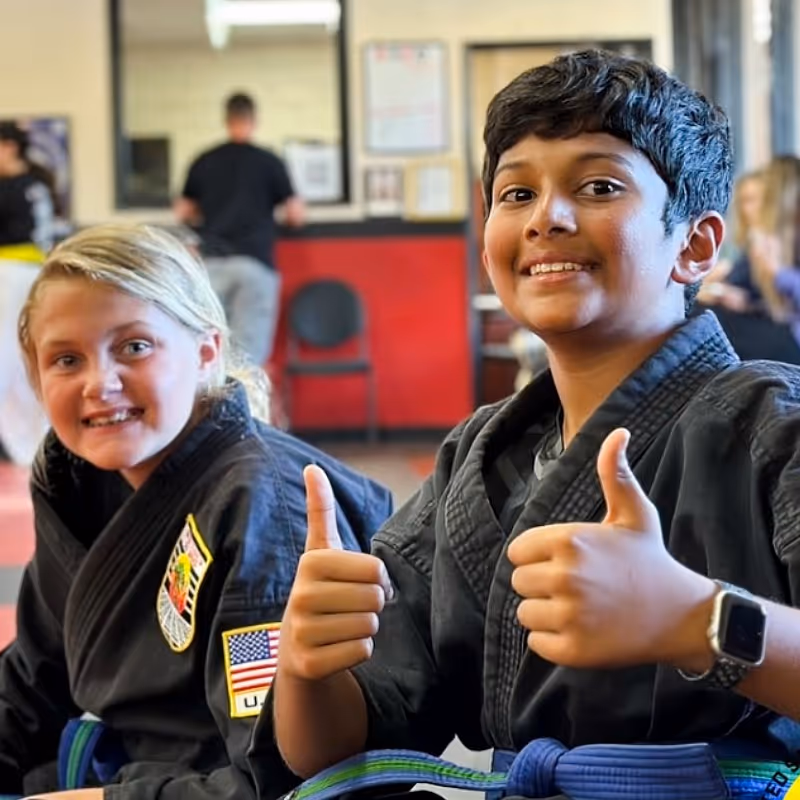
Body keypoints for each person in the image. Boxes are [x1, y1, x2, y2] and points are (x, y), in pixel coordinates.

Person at [271, 49, 800, 797]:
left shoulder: (775, 426)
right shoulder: (477, 459)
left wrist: (697, 620)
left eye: (599, 186)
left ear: (696, 243)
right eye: (515, 193)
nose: (546, 216)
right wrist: (306, 660)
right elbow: (327, 748)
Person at [0, 223, 393, 800]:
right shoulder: (78, 484)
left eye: (133, 347)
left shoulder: (261, 507)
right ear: (35, 376)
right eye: (66, 360)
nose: (99, 383)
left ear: (206, 350)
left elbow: (281, 781)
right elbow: (33, 677)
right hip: (130, 768)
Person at [175, 92, 305, 367]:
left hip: (211, 266)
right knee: (249, 357)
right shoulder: (269, 160)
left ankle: (211, 409)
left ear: (226, 120)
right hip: (254, 263)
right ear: (254, 120)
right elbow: (295, 214)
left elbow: (183, 212)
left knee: (207, 350)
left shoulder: (204, 160)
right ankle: (246, 408)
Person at [0, 121, 54, 464]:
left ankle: (19, 440)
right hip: (34, 274)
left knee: (8, 358)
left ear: (9, 147)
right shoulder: (38, 184)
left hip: (10, 274)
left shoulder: (9, 189)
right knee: (22, 358)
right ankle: (29, 439)